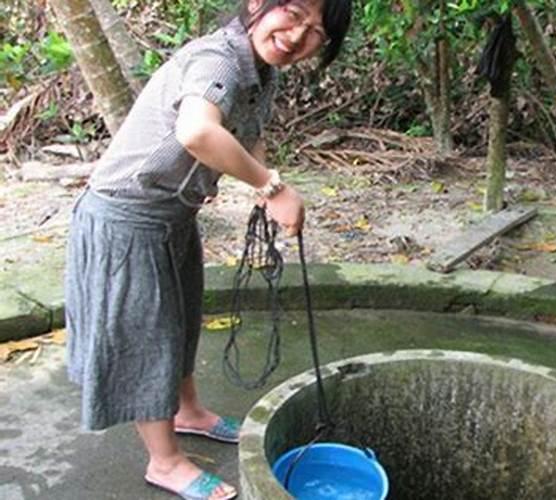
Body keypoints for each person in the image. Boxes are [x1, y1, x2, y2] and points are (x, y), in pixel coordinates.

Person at [64, 0, 352, 498]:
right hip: (126, 217)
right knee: (147, 340)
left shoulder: (261, 70)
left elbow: (250, 135)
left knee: (180, 320)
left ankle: (190, 413)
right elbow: (197, 131)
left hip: (172, 217)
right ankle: (165, 461)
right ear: (258, 3)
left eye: (315, 32)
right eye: (294, 12)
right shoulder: (218, 59)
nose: (296, 35)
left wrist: (264, 185)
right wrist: (273, 189)